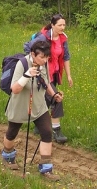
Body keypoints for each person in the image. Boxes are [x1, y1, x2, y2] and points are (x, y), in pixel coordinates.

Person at [1, 40, 63, 181]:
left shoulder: (44, 64)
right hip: (20, 105)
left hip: (39, 105)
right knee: (12, 133)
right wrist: (27, 75)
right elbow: (15, 89)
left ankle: (46, 169)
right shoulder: (21, 64)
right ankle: (8, 155)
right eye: (42, 57)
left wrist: (54, 94)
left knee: (47, 133)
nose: (45, 60)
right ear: (33, 54)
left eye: (47, 57)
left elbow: (46, 82)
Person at [24, 13, 73, 143]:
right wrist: (35, 65)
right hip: (44, 74)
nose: (63, 27)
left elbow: (66, 57)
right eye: (60, 25)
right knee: (56, 98)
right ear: (52, 25)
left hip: (55, 73)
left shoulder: (63, 39)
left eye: (64, 25)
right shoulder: (43, 38)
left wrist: (68, 75)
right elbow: (28, 48)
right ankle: (57, 131)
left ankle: (38, 125)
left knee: (45, 100)